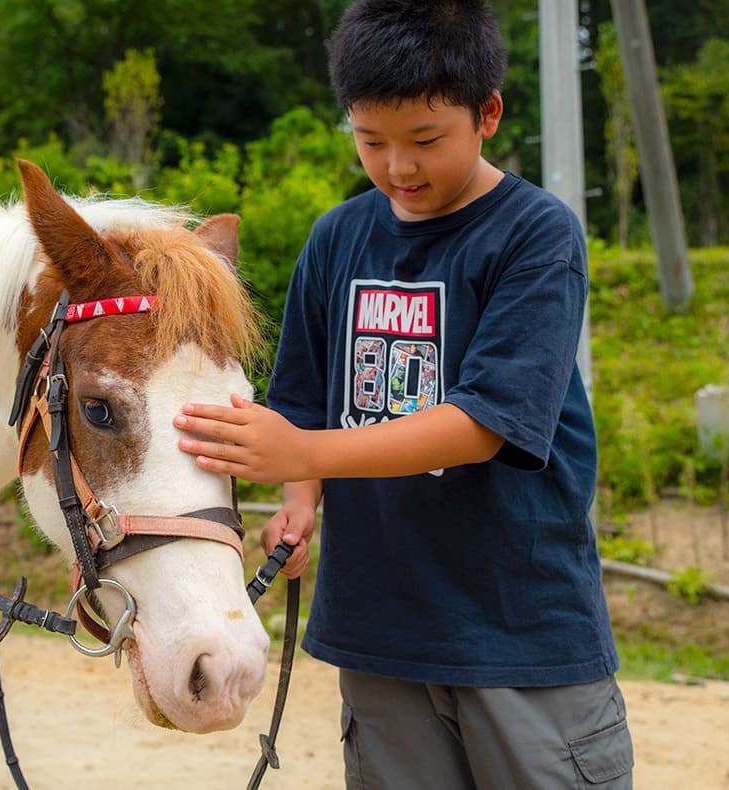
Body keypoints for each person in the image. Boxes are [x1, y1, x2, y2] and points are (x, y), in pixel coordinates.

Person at [172, 1, 634, 787]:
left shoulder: (535, 235)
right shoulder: (337, 237)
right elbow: (305, 396)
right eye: (370, 140)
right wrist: (300, 492)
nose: (398, 168)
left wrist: (307, 450)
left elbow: (485, 422)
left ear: (486, 114)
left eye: (425, 141)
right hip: (379, 628)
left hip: (517, 630)